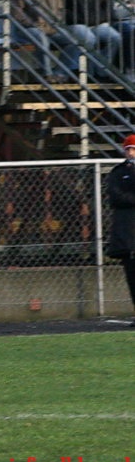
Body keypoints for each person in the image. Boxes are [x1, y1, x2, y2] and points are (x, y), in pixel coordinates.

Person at [10, 0, 78, 81]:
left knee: (75, 40)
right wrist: (34, 24)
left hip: (51, 28)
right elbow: (16, 12)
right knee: (41, 38)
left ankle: (60, 72)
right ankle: (46, 74)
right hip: (29, 28)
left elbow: (60, 8)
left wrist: (57, 22)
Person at [59, 0, 121, 78]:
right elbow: (62, 9)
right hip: (76, 24)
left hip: (97, 24)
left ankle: (101, 68)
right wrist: (81, 19)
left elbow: (108, 7)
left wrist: (97, 19)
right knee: (89, 38)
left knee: (115, 38)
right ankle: (86, 73)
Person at [106, 134, 135, 327]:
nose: (131, 152)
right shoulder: (118, 172)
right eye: (128, 149)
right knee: (132, 277)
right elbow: (115, 197)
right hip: (127, 233)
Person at [109, 0, 135, 80]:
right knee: (130, 31)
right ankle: (130, 70)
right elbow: (116, 12)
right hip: (121, 22)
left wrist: (129, 6)